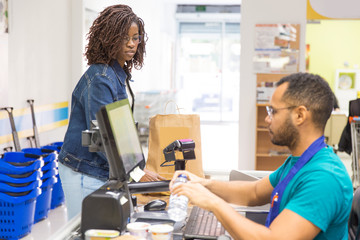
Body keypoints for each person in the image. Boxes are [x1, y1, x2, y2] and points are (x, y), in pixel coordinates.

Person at [170, 72, 353, 239]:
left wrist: (213, 203)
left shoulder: (324, 178)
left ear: (300, 115)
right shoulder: (301, 161)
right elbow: (254, 192)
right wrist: (204, 184)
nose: (267, 119)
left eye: (273, 111)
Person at [58, 4, 165, 219]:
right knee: (88, 229)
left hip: (100, 167)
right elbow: (102, 137)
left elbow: (120, 131)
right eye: (124, 37)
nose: (131, 44)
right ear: (108, 38)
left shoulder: (115, 74)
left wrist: (138, 169)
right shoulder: (100, 78)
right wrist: (135, 173)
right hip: (84, 169)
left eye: (136, 38)